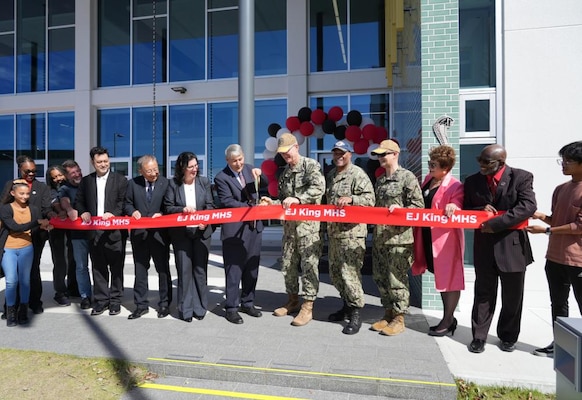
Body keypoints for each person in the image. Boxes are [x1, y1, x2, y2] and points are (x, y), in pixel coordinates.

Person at [464, 144, 536, 353]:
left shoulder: (521, 177)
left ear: (501, 163)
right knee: (483, 295)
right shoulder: (472, 181)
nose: (481, 165)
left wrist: (494, 223)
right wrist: (480, 210)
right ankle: (479, 337)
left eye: (486, 162)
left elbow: (527, 207)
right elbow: (466, 208)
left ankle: (508, 336)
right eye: (480, 160)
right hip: (484, 248)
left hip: (512, 248)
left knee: (512, 297)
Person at [261, 133, 325, 327]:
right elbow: (283, 201)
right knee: (288, 266)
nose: (285, 156)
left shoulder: (310, 166)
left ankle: (308, 306)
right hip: (289, 230)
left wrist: (298, 199)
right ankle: (293, 300)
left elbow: (319, 188)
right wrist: (270, 203)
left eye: (287, 151)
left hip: (308, 229)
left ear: (296, 147)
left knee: (309, 267)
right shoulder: (286, 173)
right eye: (282, 153)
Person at [526, 141, 582, 357]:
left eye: (568, 161)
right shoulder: (561, 189)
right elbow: (557, 220)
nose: (563, 164)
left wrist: (546, 230)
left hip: (577, 260)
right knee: (558, 304)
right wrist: (543, 218)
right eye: (563, 160)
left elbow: (578, 226)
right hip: (555, 257)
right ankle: (561, 345)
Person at [369, 139, 424, 336]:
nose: (380, 158)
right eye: (378, 155)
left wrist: (401, 210)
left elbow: (418, 207)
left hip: (399, 239)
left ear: (395, 154)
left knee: (396, 278)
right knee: (381, 277)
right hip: (380, 238)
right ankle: (388, 313)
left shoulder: (407, 178)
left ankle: (399, 318)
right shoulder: (381, 181)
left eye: (384, 154)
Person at [411, 145, 464, 336]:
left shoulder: (454, 185)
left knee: (450, 280)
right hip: (427, 237)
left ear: (446, 168)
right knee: (441, 278)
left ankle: (448, 319)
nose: (430, 168)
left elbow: (458, 202)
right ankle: (448, 316)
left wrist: (453, 205)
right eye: (429, 163)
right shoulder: (428, 180)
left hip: (445, 241)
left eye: (433, 165)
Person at [214, 144, 268, 324]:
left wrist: (262, 176)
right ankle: (231, 307)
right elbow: (227, 201)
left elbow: (266, 187)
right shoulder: (221, 177)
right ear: (227, 161)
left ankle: (248, 302)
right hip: (234, 231)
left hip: (254, 228)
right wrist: (252, 208)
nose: (238, 164)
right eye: (234, 161)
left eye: (240, 159)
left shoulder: (251, 169)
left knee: (252, 269)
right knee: (234, 270)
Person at [325, 140, 375, 335]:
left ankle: (355, 313)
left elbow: (370, 200)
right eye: (336, 153)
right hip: (334, 234)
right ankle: (346, 304)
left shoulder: (358, 174)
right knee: (336, 274)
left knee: (350, 274)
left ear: (350, 154)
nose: (339, 156)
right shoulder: (331, 175)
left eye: (342, 153)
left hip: (352, 235)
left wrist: (352, 199)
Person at [74, 147, 128, 316]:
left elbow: (123, 201)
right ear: (93, 163)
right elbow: (79, 201)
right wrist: (82, 211)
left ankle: (115, 301)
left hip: (115, 233)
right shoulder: (86, 181)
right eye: (99, 162)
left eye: (105, 161)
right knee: (98, 268)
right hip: (94, 232)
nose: (103, 164)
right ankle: (101, 301)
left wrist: (114, 214)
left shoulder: (120, 180)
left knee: (116, 268)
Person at [163, 152, 215, 322]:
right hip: (182, 235)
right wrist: (182, 210)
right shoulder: (173, 185)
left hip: (201, 233)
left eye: (196, 165)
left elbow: (210, 205)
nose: (195, 169)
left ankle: (200, 309)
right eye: (190, 166)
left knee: (200, 271)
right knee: (184, 272)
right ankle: (185, 310)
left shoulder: (204, 182)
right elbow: (168, 207)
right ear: (182, 168)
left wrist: (205, 220)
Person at [0, 156, 54, 316]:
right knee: (13, 274)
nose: (31, 173)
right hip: (12, 236)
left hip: (34, 235)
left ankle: (34, 302)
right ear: (19, 169)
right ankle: (11, 306)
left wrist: (48, 219)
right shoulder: (10, 185)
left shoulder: (41, 187)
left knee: (33, 270)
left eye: (34, 171)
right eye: (27, 171)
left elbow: (46, 208)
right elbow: (3, 205)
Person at [125, 155, 172, 319]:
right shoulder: (133, 183)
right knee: (140, 270)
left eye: (155, 169)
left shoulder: (165, 183)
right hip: (140, 235)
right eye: (150, 170)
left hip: (160, 235)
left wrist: (162, 213)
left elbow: (170, 205)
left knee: (163, 270)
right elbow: (127, 203)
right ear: (141, 171)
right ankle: (141, 305)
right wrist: (132, 211)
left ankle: (165, 304)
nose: (154, 173)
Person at [59, 160, 92, 310]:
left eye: (78, 170)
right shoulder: (65, 188)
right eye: (73, 173)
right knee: (81, 266)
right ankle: (85, 296)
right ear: (66, 176)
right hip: (78, 235)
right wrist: (70, 209)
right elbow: (64, 202)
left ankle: (101, 294)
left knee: (100, 266)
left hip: (96, 231)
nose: (77, 174)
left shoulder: (89, 182)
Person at [46, 165, 78, 306]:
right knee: (60, 262)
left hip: (74, 229)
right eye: (54, 177)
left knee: (73, 259)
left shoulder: (72, 188)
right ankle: (60, 292)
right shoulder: (49, 191)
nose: (58, 179)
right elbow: (55, 203)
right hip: (57, 231)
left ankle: (73, 287)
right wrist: (61, 210)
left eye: (59, 175)